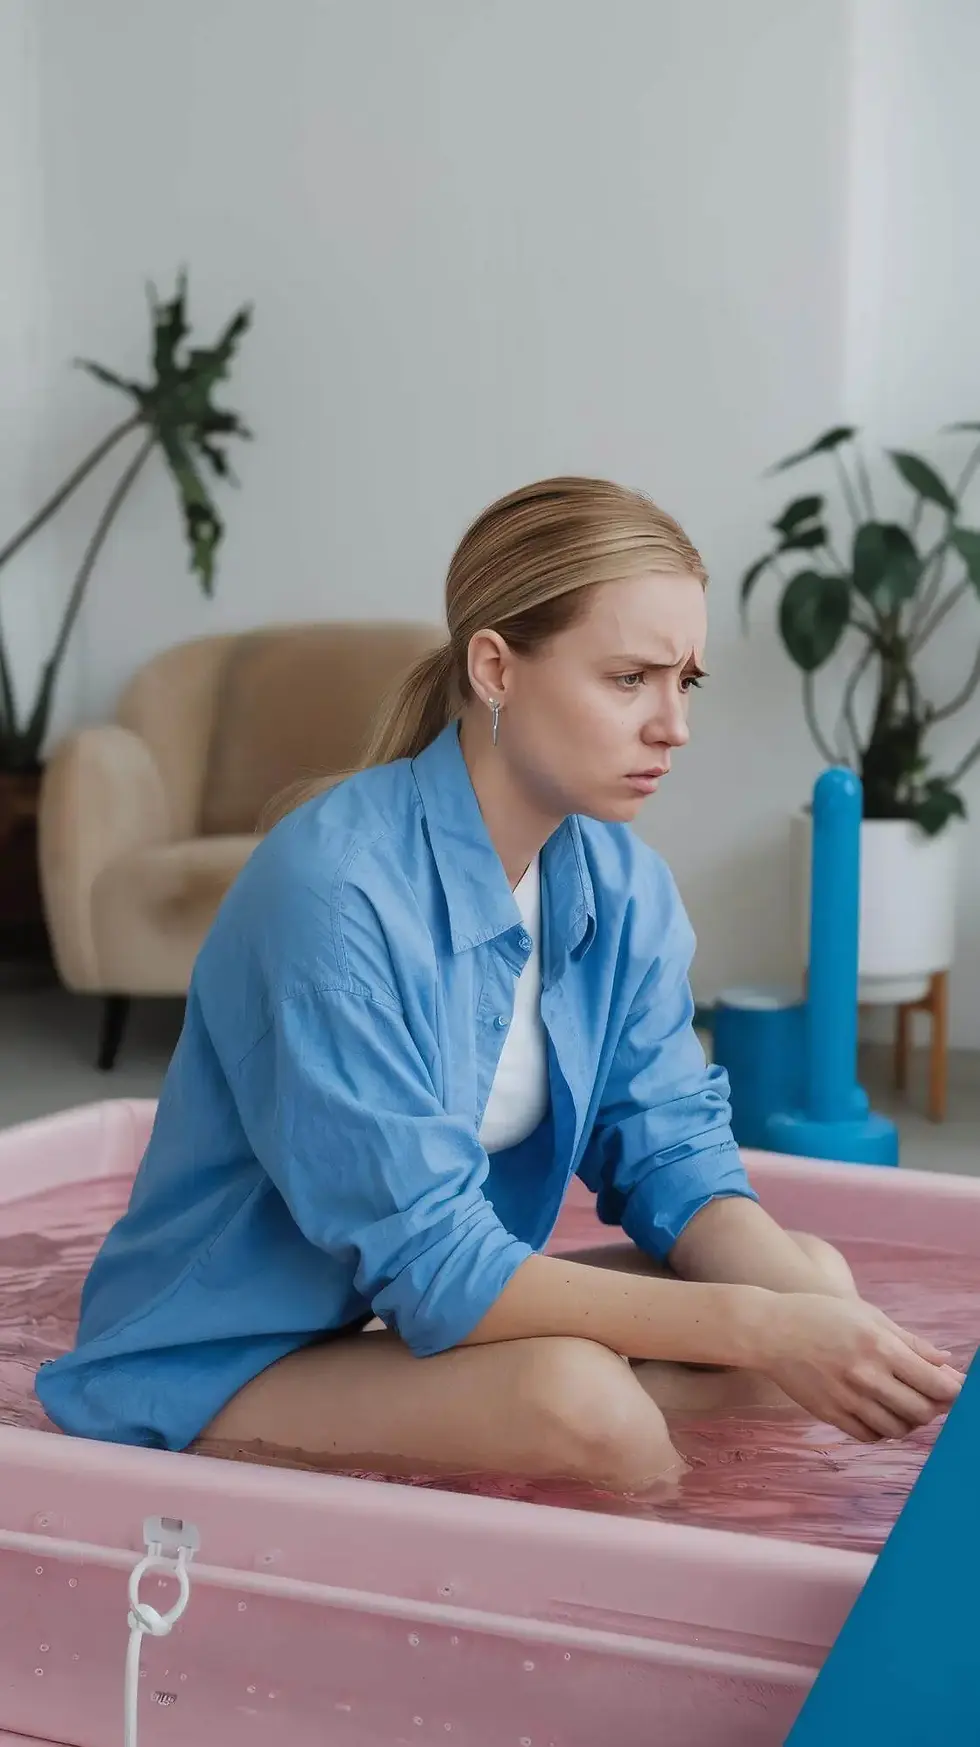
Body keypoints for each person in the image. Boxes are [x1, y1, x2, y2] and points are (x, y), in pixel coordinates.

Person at [36, 476, 962, 1493]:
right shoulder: (333, 894)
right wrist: (756, 1325)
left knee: (813, 1283)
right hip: (219, 1354)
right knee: (590, 1403)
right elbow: (438, 1260)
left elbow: (676, 1161)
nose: (674, 725)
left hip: (395, 1322)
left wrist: (856, 1343)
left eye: (685, 680)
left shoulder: (622, 887)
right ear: (495, 669)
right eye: (629, 678)